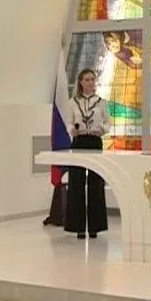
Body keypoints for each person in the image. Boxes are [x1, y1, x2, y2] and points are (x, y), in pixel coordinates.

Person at [64, 68, 111, 240]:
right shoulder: (72, 102)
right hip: (79, 142)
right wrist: (73, 130)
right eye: (87, 79)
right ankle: (77, 227)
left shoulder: (101, 102)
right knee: (76, 183)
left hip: (94, 142)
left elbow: (108, 123)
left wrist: (102, 130)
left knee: (95, 183)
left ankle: (95, 227)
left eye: (92, 79)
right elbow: (69, 122)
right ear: (80, 82)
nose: (90, 82)